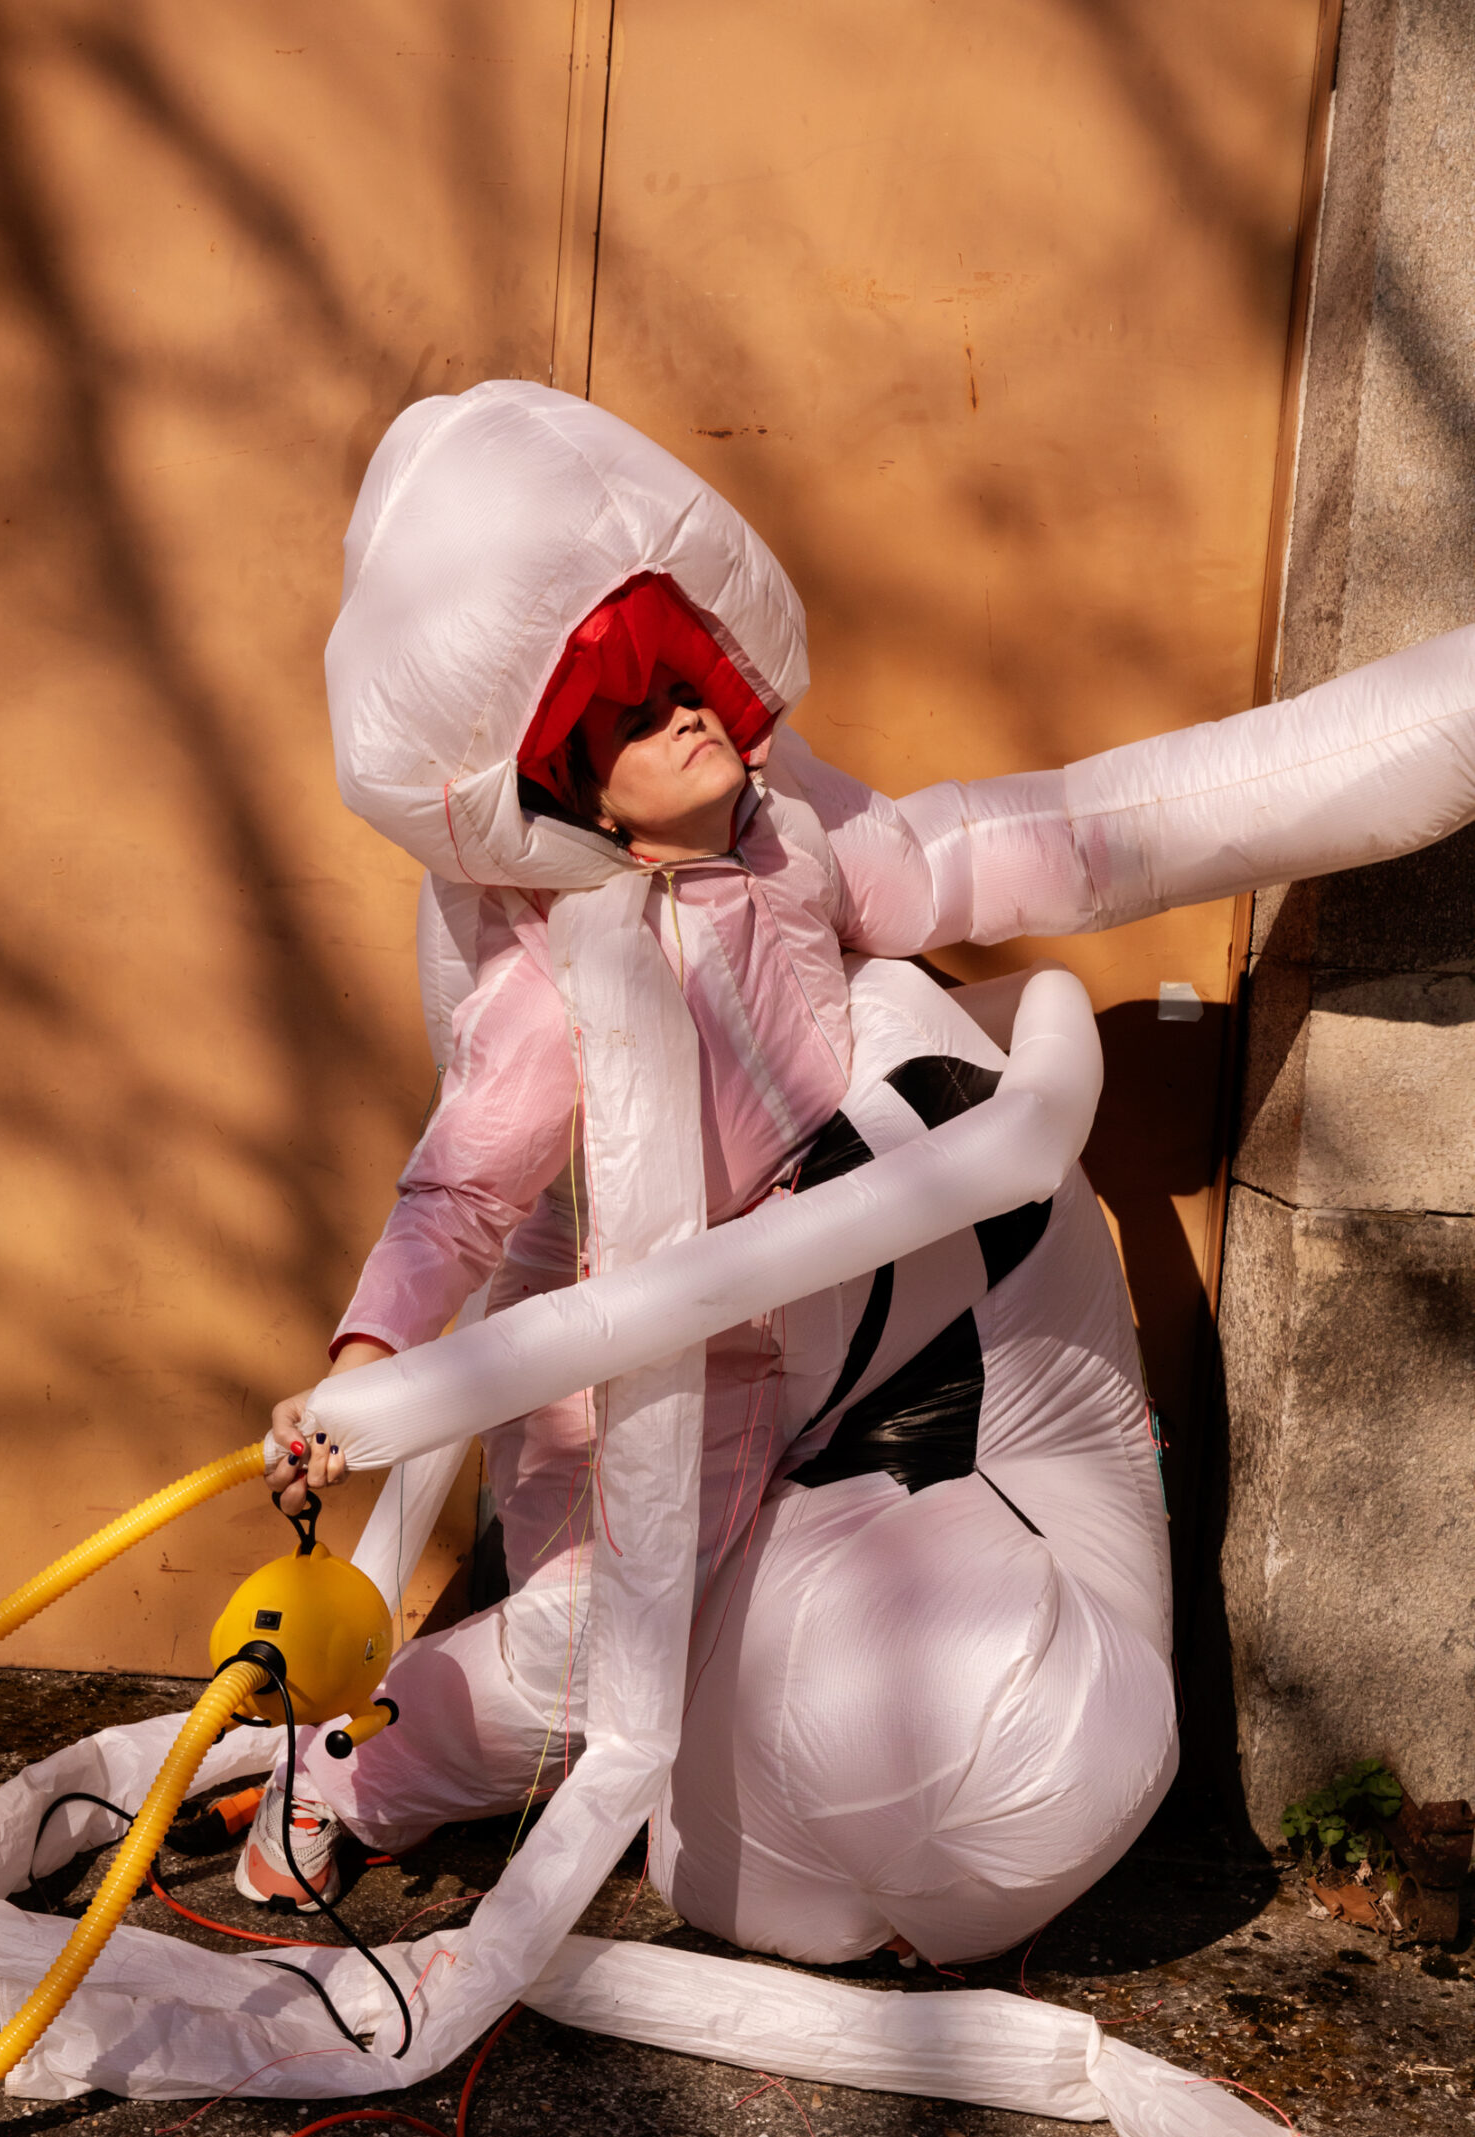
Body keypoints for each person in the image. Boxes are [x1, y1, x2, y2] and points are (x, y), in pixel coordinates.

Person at [226, 380, 1475, 1983]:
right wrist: (365, 1365)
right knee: (607, 1640)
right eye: (631, 717)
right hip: (659, 1369)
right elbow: (458, 1191)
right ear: (578, 803)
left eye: (681, 678)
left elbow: (1058, 838)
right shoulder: (562, 977)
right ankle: (348, 1782)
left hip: (816, 1311)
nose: (686, 718)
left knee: (660, 1637)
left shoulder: (790, 832)